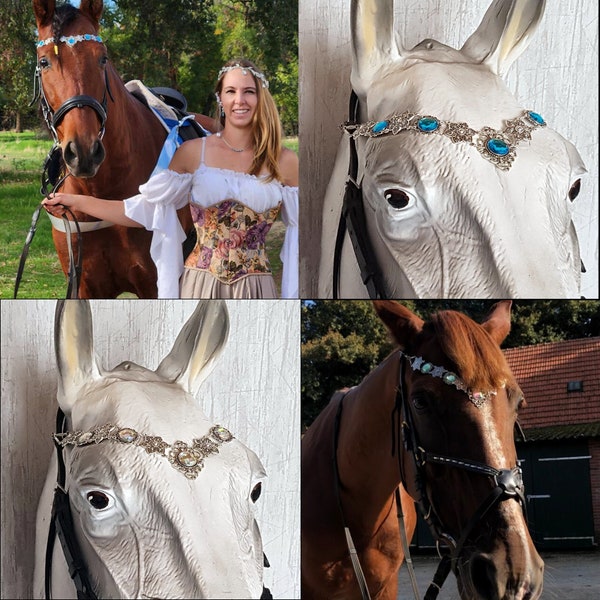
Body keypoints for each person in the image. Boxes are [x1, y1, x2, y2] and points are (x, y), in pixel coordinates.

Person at [43, 59, 299, 298]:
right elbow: (146, 209)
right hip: (199, 285)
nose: (239, 100)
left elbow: (302, 239)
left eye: (249, 92)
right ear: (220, 98)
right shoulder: (191, 152)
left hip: (257, 288)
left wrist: (291, 296)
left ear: (261, 97)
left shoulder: (285, 162)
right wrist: (76, 201)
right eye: (231, 91)